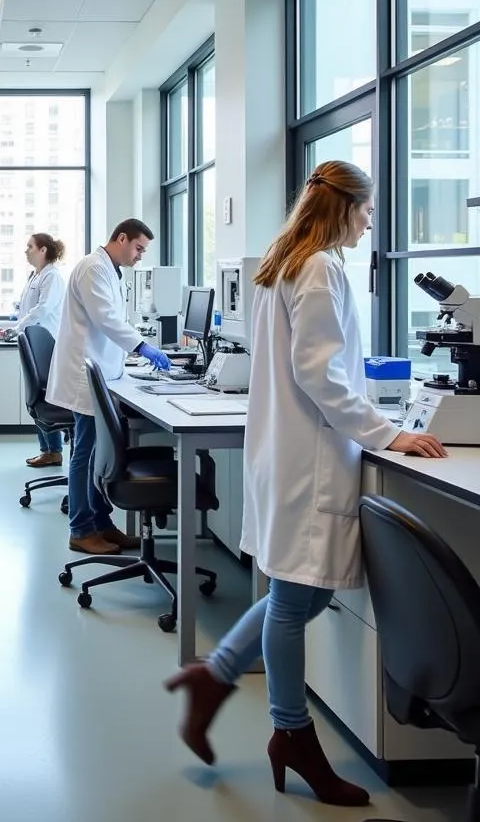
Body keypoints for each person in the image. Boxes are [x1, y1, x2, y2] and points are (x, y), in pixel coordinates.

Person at [163, 160, 446, 805]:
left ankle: (215, 676)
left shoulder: (282, 262)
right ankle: (291, 734)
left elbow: (314, 368)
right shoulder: (317, 268)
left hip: (287, 449)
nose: (371, 221)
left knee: (304, 596)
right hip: (310, 457)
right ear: (344, 207)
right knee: (298, 600)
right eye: (368, 210)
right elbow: (322, 376)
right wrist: (388, 433)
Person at [48, 219, 172, 555]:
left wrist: (137, 348)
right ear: (121, 238)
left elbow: (115, 319)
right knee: (87, 455)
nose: (140, 256)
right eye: (138, 248)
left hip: (102, 373)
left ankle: (102, 524)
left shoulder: (109, 270)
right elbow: (107, 318)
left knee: (98, 457)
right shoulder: (92, 269)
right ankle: (80, 529)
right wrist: (142, 347)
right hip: (84, 376)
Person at [9, 232, 67, 468]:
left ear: (43, 250)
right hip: (33, 343)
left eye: (30, 246)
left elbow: (43, 310)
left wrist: (18, 326)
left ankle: (53, 450)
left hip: (46, 345)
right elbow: (29, 307)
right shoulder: (36, 276)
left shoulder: (52, 277)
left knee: (44, 396)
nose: (26, 250)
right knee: (35, 397)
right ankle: (47, 449)